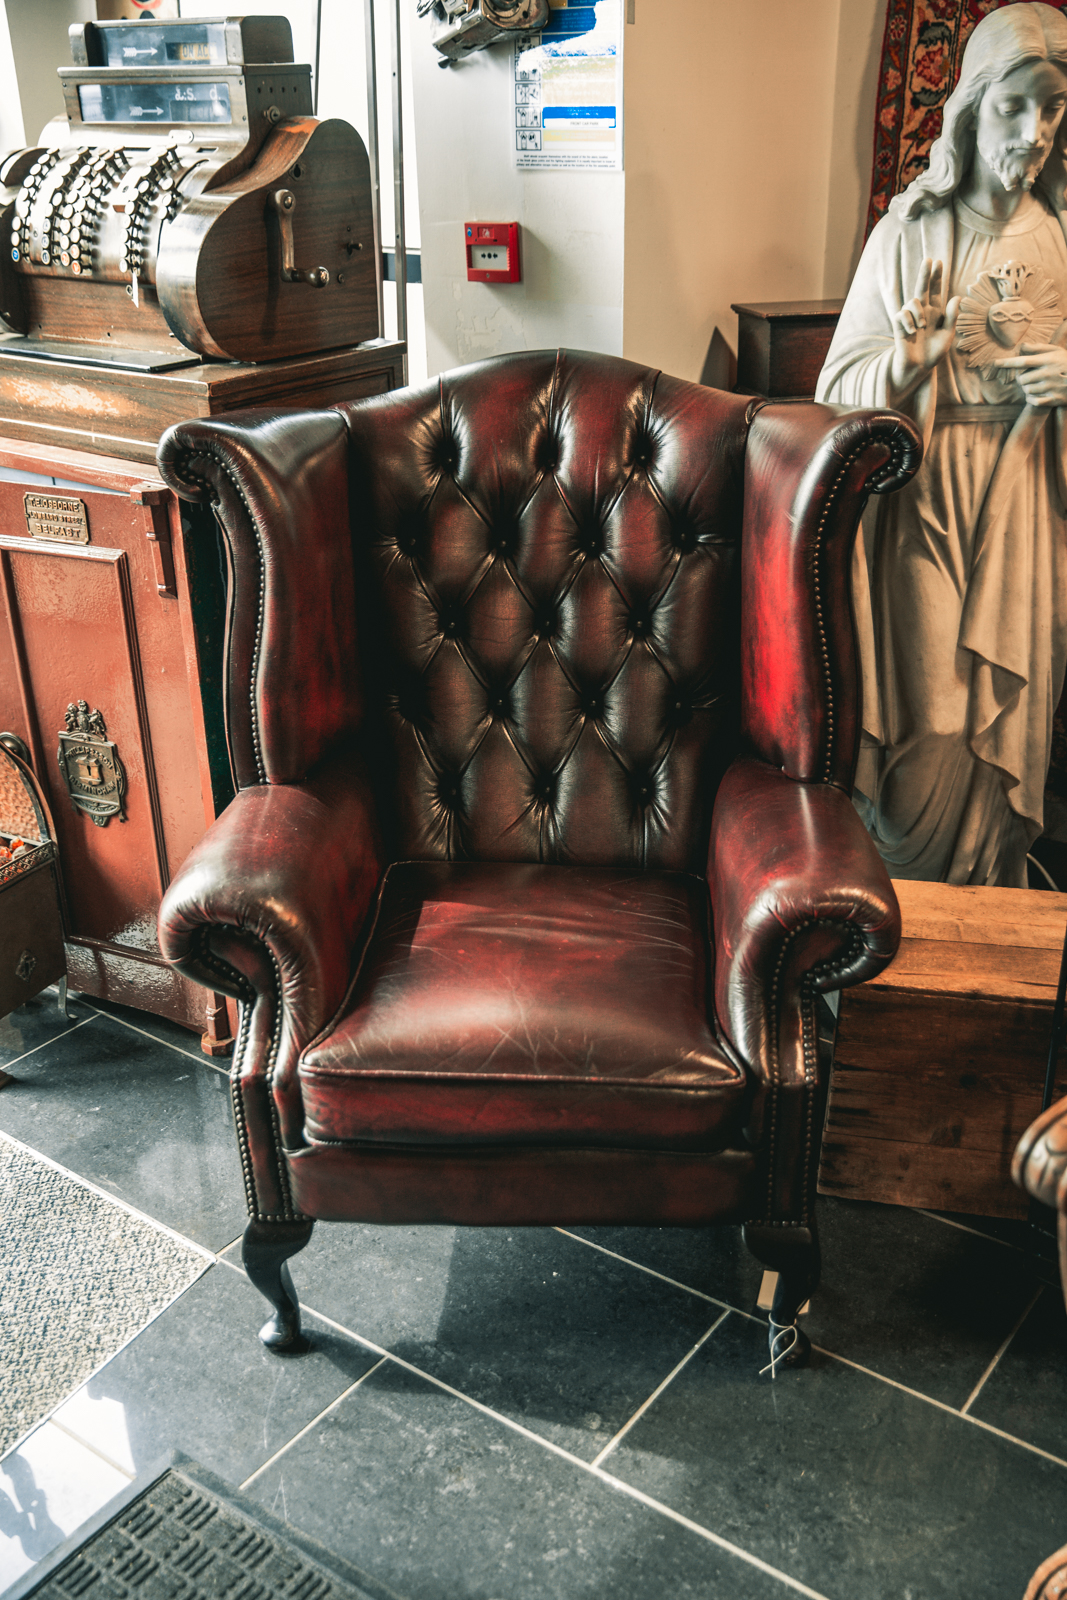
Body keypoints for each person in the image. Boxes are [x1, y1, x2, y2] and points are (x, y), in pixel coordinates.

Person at [817, 2, 1067, 886]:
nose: (1033, 132)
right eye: (1013, 106)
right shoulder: (909, 232)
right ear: (969, 107)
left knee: (1011, 718)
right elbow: (834, 392)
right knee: (934, 722)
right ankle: (903, 899)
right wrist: (903, 363)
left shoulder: (1061, 236)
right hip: (924, 495)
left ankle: (985, 897)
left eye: (1052, 107)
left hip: (1027, 495)